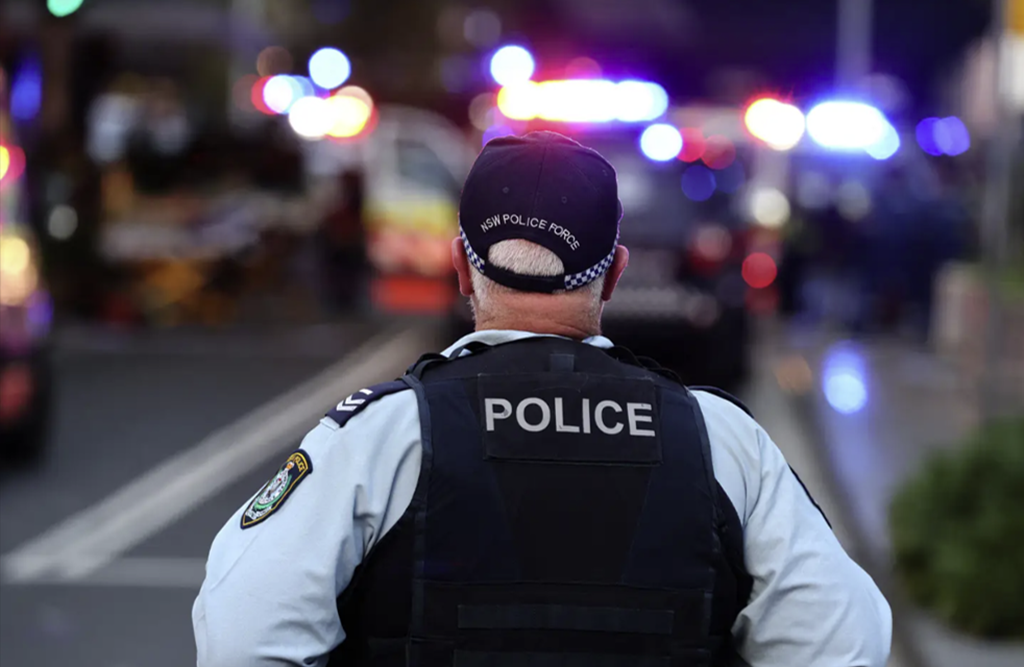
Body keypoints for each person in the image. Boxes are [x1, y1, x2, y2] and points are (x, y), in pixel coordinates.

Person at [193, 131, 892, 667]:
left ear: (460, 266)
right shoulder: (722, 442)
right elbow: (844, 644)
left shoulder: (381, 437)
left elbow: (241, 638)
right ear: (613, 274)